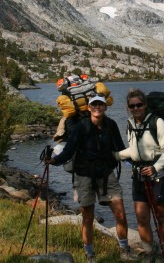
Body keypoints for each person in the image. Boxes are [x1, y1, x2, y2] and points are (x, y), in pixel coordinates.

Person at [48, 94, 136, 263]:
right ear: (88, 108)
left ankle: (125, 250)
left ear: (105, 107)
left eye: (100, 105)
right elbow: (69, 150)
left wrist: (135, 161)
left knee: (121, 215)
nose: (97, 107)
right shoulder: (81, 126)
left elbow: (120, 148)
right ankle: (90, 255)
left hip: (106, 175)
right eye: (94, 105)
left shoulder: (111, 125)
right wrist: (54, 161)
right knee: (88, 218)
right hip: (84, 176)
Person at [113, 89, 164, 262]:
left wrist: (155, 168)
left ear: (145, 105)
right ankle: (149, 252)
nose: (136, 108)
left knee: (162, 217)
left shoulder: (158, 122)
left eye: (139, 105)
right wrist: (113, 155)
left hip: (160, 176)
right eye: (132, 106)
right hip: (139, 176)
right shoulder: (130, 123)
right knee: (141, 216)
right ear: (128, 107)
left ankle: (162, 253)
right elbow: (133, 151)